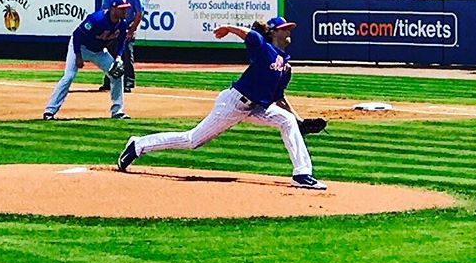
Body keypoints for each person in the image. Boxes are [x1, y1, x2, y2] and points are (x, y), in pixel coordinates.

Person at [117, 17, 327, 190]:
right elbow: (249, 34)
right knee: (192, 140)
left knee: (288, 121)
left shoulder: (285, 67)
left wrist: (299, 121)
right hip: (233, 103)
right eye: (284, 28)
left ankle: (302, 174)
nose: (289, 31)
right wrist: (227, 28)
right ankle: (138, 145)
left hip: (256, 108)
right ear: (273, 32)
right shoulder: (263, 48)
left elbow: (279, 98)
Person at [43, 0, 133, 121]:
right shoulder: (97, 19)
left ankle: (117, 111)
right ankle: (49, 111)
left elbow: (121, 41)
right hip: (80, 47)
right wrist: (78, 56)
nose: (125, 12)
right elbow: (77, 34)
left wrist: (118, 57)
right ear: (113, 9)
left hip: (99, 52)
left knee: (117, 74)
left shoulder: (122, 24)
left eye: (126, 9)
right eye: (122, 9)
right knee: (68, 76)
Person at [99, 0, 145, 93]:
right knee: (110, 54)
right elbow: (105, 11)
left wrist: (131, 30)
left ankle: (128, 82)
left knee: (127, 53)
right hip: (113, 25)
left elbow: (139, 13)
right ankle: (108, 81)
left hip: (127, 25)